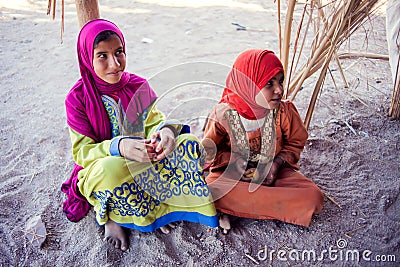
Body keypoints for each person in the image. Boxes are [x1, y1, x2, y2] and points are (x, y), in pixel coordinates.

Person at [61, 19, 218, 251]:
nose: (114, 64)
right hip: (104, 169)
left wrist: (164, 132)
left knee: (187, 143)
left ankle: (161, 208)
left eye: (119, 52)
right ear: (87, 57)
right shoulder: (77, 98)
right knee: (111, 169)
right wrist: (119, 147)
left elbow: (155, 122)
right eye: (102, 56)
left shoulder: (137, 86)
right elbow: (82, 153)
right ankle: (113, 216)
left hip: (145, 163)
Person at [201, 49, 324, 234]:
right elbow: (210, 150)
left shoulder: (283, 112)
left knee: (312, 198)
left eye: (280, 81)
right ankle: (246, 208)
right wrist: (236, 166)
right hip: (232, 177)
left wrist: (275, 165)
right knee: (209, 192)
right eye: (269, 83)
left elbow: (295, 143)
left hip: (274, 176)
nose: (279, 90)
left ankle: (236, 211)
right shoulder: (223, 114)